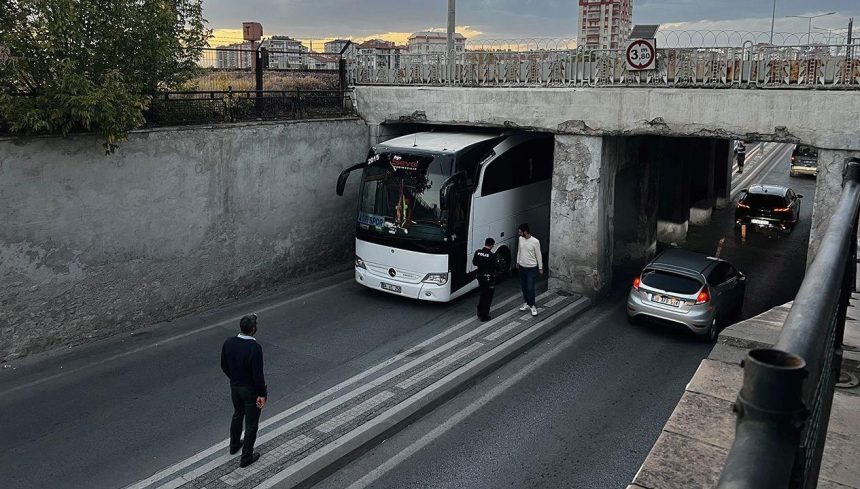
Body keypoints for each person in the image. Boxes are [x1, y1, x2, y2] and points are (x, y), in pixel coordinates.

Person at [221, 314, 268, 468]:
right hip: (250, 390)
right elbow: (258, 375)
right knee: (251, 424)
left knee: (237, 414)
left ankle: (234, 444)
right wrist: (262, 394)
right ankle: (246, 457)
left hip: (235, 387)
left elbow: (224, 365)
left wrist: (234, 378)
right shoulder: (254, 348)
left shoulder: (229, 342)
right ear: (253, 329)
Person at [516, 224, 543, 316]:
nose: (519, 234)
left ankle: (532, 306)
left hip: (532, 268)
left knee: (530, 287)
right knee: (524, 287)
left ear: (525, 231)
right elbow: (519, 250)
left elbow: (538, 255)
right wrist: (518, 261)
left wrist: (540, 267)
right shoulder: (520, 239)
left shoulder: (535, 242)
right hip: (522, 267)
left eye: (520, 232)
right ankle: (527, 303)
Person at [472, 238, 497, 321]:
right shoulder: (492, 256)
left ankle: (479, 312)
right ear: (492, 245)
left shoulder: (478, 252)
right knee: (487, 297)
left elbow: (474, 263)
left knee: (482, 294)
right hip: (489, 278)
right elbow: (496, 267)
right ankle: (484, 315)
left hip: (480, 277)